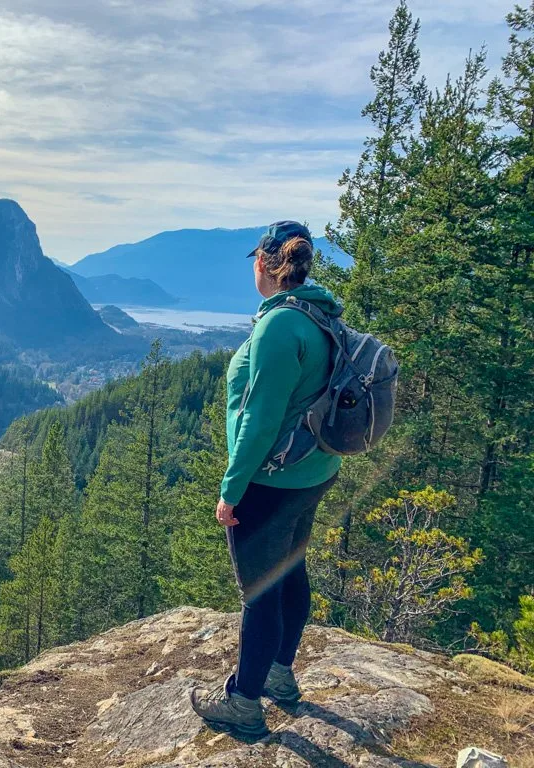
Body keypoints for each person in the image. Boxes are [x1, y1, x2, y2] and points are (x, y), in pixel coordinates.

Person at [189, 221, 343, 738]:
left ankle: (243, 702)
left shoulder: (279, 326)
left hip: (272, 482)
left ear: (265, 264)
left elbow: (259, 419)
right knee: (289, 572)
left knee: (259, 592)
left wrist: (231, 490)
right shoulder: (319, 311)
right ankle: (279, 674)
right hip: (312, 473)